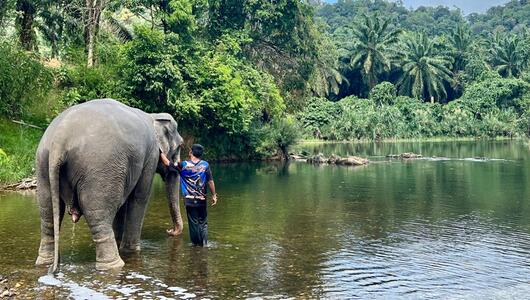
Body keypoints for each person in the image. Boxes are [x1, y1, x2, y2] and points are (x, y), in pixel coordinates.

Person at [162, 144, 217, 246]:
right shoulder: (205, 165)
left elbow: (167, 163)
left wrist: (160, 152)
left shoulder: (184, 165)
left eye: (190, 150)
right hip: (202, 200)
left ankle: (196, 245)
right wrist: (214, 195)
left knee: (193, 224)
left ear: (191, 152)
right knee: (203, 223)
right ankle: (204, 244)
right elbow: (210, 181)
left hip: (189, 200)